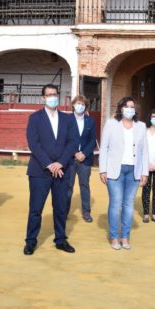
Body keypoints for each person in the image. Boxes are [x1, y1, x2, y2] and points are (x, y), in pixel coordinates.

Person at [24, 84, 79, 255]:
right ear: (43, 98)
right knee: (36, 209)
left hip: (62, 170)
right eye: (48, 95)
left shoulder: (68, 119)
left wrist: (60, 163)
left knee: (61, 208)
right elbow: (34, 143)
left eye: (54, 94)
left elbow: (73, 142)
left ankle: (60, 239)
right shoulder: (35, 118)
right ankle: (31, 241)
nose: (52, 97)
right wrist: (49, 164)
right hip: (40, 171)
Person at [99, 97, 149, 250]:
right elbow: (104, 148)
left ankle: (125, 236)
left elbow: (144, 151)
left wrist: (145, 172)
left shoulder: (141, 126)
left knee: (128, 205)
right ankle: (114, 236)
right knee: (116, 204)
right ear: (121, 108)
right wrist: (102, 169)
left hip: (134, 171)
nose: (129, 109)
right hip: (115, 170)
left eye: (132, 107)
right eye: (126, 106)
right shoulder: (111, 124)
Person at [67, 95, 97, 223]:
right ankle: (64, 211)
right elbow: (64, 139)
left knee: (84, 186)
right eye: (78, 103)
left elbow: (93, 140)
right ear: (73, 105)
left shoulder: (90, 121)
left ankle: (86, 211)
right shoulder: (66, 120)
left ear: (86, 107)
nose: (80, 106)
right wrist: (75, 153)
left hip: (85, 159)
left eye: (83, 104)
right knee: (68, 186)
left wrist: (84, 153)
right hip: (70, 159)